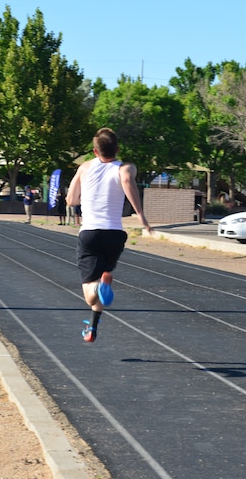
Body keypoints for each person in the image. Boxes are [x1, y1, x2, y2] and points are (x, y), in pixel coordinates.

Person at [66, 127, 153, 342]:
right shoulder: (125, 168)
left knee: (90, 293)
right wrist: (140, 215)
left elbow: (70, 200)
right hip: (115, 235)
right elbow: (126, 180)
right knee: (100, 293)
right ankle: (92, 327)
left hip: (90, 234)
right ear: (117, 149)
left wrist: (84, 197)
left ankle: (99, 285)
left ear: (95, 151)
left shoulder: (84, 168)